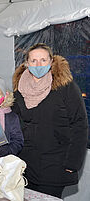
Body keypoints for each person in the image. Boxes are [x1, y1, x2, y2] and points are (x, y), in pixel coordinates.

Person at [12, 43, 88, 198]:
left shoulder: (65, 87)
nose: (38, 64)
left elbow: (80, 125)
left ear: (51, 62)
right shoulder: (19, 89)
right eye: (33, 61)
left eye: (43, 60)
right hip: (25, 164)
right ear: (27, 63)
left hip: (56, 163)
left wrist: (73, 163)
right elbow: (12, 122)